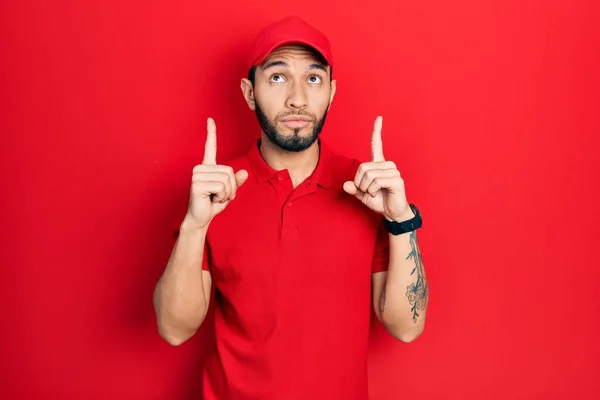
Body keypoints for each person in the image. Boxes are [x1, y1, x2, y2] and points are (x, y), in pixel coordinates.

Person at [153, 15, 430, 400]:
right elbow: (174, 329)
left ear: (331, 92)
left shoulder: (368, 190)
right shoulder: (216, 192)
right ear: (250, 92)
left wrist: (400, 219)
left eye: (313, 79)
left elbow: (406, 327)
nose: (297, 98)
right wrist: (194, 226)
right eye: (278, 77)